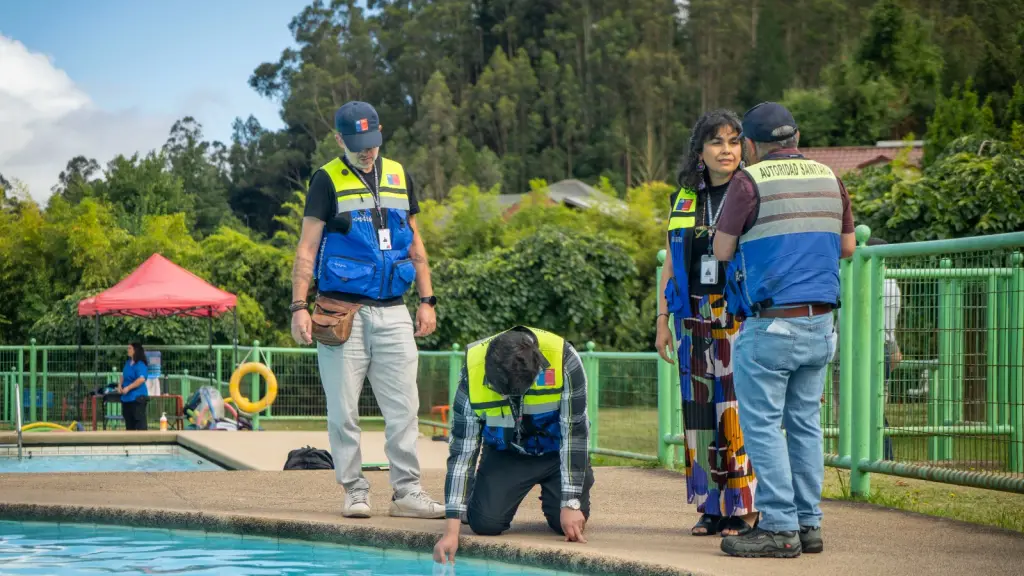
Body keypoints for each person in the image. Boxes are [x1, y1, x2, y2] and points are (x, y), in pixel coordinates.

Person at [712, 102, 856, 558]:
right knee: (805, 425)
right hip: (822, 324)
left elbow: (721, 250)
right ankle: (809, 524)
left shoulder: (748, 182)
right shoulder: (830, 178)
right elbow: (848, 247)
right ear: (796, 138)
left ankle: (779, 528)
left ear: (751, 145)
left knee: (762, 427)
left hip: (772, 324)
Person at [290, 100, 443, 519]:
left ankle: (407, 493)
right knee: (343, 412)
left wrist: (427, 300)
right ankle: (354, 490)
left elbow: (415, 242)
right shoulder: (326, 180)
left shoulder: (399, 175)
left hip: (394, 311)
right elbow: (306, 248)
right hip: (342, 312)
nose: (367, 151)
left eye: (372, 142)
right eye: (358, 144)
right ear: (339, 139)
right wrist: (299, 306)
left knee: (404, 409)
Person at [655, 109, 759, 537]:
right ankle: (711, 505)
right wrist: (662, 318)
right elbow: (669, 264)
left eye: (734, 141)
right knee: (698, 411)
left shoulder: (751, 191)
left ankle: (744, 506)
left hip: (736, 315)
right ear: (700, 151)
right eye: (717, 142)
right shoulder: (684, 199)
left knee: (734, 408)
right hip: (692, 315)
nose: (726, 150)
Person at [433, 326, 594, 565]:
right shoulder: (472, 370)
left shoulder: (564, 359)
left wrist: (571, 501)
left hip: (557, 455)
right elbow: (462, 451)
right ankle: (483, 494)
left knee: (566, 524)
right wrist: (451, 531)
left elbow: (575, 434)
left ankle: (559, 492)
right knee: (485, 524)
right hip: (507, 454)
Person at [117, 342, 150, 431]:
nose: (128, 350)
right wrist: (120, 385)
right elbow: (123, 375)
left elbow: (141, 379)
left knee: (140, 424)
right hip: (126, 398)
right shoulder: (128, 362)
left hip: (137, 398)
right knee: (129, 424)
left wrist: (128, 388)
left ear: (135, 350)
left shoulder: (140, 364)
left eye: (130, 348)